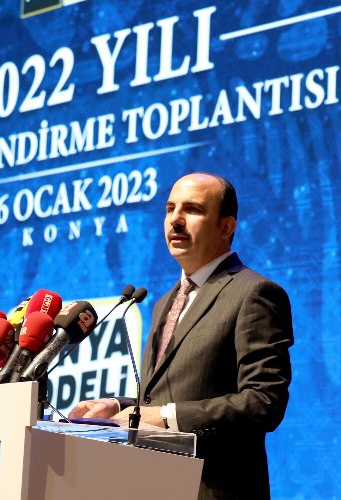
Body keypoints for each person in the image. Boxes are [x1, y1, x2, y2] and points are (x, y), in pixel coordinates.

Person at [69, 173, 294, 499]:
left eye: (192, 209)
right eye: (170, 208)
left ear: (226, 227)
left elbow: (263, 403)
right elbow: (162, 400)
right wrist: (116, 406)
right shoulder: (164, 303)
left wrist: (163, 416)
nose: (175, 220)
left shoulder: (254, 293)